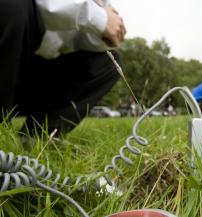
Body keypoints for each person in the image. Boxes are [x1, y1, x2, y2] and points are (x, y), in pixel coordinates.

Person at [0, 0, 126, 136]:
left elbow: (84, 42)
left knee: (110, 62)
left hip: (33, 74)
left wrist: (106, 31)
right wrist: (98, 17)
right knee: (12, 6)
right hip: (8, 60)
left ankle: (37, 136)